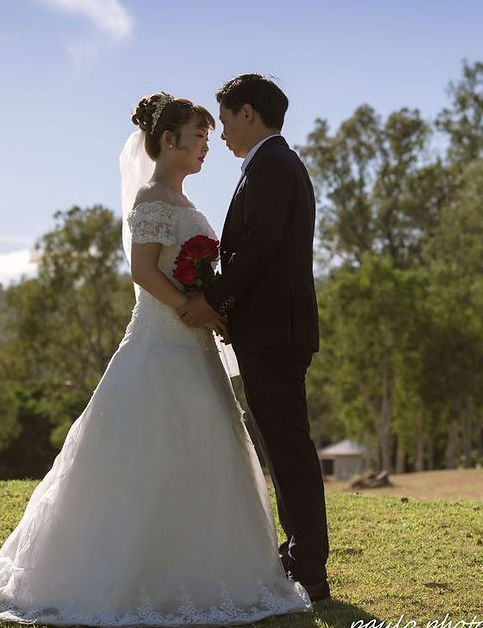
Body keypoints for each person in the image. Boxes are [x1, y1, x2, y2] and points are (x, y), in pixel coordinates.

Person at [0, 93, 312, 626]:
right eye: (198, 136)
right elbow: (143, 272)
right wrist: (193, 307)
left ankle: (209, 565)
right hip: (160, 338)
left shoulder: (187, 203)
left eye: (209, 136)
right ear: (168, 140)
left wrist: (211, 306)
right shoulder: (152, 199)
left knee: (209, 446)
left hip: (194, 344)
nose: (207, 146)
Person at [177, 74, 330, 602]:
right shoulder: (271, 164)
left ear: (248, 114)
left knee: (287, 447)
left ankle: (308, 567)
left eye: (224, 121)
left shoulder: (272, 165)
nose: (220, 134)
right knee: (282, 446)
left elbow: (260, 246)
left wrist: (213, 300)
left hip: (275, 330)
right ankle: (300, 556)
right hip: (272, 328)